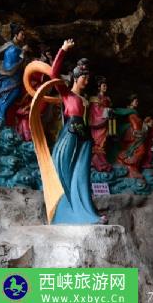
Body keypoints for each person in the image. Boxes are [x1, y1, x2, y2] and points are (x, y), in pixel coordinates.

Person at [48, 39, 107, 224]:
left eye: (88, 78)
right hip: (71, 134)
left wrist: (92, 141)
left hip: (84, 137)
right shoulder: (67, 94)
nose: (87, 81)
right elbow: (53, 73)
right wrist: (63, 50)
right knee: (65, 173)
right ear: (75, 77)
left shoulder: (85, 100)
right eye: (84, 77)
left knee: (82, 176)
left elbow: (88, 120)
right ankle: (66, 212)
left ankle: (87, 213)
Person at [0, 23, 28, 121]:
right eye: (22, 34)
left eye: (24, 35)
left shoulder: (22, 49)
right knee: (3, 94)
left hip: (15, 76)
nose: (23, 37)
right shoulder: (9, 44)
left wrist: (23, 54)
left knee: (15, 93)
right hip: (6, 74)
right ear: (15, 34)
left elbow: (22, 63)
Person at [116, 94, 148, 179]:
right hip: (131, 135)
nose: (137, 103)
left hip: (138, 135)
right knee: (139, 150)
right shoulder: (128, 111)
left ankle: (133, 168)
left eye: (137, 101)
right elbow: (118, 112)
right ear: (131, 102)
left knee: (140, 150)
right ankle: (130, 166)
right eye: (135, 101)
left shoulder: (134, 112)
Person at [89, 76, 113, 172]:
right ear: (99, 87)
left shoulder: (107, 98)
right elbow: (95, 111)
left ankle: (103, 162)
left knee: (104, 144)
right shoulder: (95, 99)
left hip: (106, 124)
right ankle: (96, 162)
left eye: (106, 85)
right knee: (97, 144)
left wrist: (110, 111)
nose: (105, 87)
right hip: (97, 125)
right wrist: (106, 111)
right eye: (103, 85)